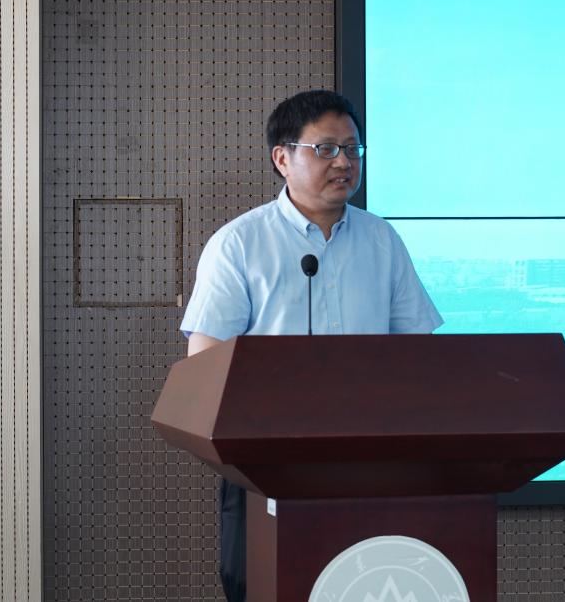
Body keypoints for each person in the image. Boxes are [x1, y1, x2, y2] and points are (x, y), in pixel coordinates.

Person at [179, 89, 442, 602]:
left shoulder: (382, 241)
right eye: (326, 149)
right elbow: (205, 368)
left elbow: (420, 355)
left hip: (370, 463)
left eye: (352, 149)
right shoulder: (239, 244)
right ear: (282, 158)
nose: (344, 162)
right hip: (264, 467)